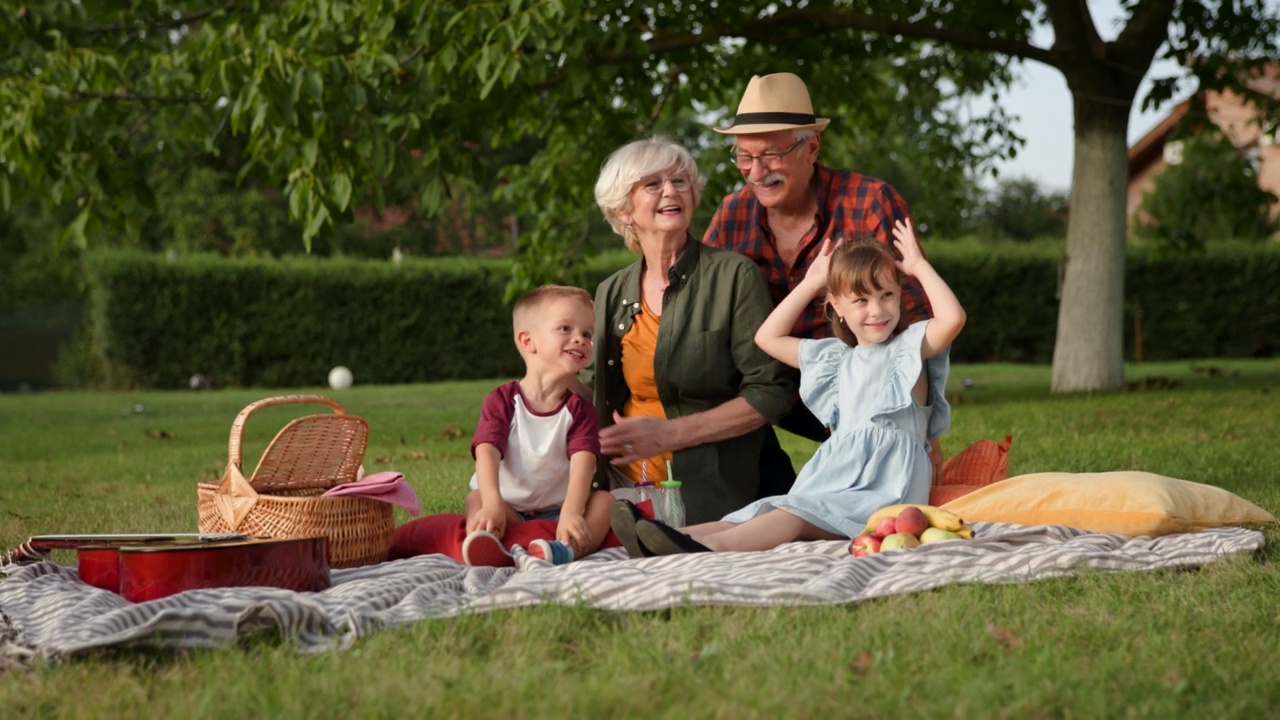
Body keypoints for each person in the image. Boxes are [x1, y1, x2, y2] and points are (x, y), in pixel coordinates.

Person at [610, 219, 965, 556]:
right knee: (760, 512)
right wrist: (811, 283)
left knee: (791, 518)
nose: (877, 310)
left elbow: (953, 318)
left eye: (887, 295)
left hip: (884, 488)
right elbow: (767, 337)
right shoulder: (836, 359)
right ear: (837, 306)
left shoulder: (910, 349)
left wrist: (917, 266)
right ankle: (662, 537)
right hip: (835, 476)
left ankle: (709, 549)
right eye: (861, 300)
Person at [702, 72, 937, 497]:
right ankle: (761, 495)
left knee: (862, 496)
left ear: (811, 147)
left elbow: (914, 317)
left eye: (771, 155)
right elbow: (700, 308)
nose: (756, 172)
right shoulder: (730, 215)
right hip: (770, 383)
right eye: (743, 157)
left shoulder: (869, 201)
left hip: (859, 390)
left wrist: (921, 437)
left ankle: (802, 509)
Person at [590, 136, 794, 526]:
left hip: (707, 489)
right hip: (619, 483)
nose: (671, 190)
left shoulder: (734, 276)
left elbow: (771, 392)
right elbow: (592, 387)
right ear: (623, 209)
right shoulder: (611, 291)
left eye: (680, 181)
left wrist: (672, 435)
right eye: (653, 184)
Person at [461, 285, 615, 566]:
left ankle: (566, 550)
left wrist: (571, 512)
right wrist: (493, 502)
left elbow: (583, 464)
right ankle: (485, 541)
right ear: (528, 341)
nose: (580, 339)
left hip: (558, 510)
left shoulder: (581, 411)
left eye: (587, 334)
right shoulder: (502, 401)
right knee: (476, 499)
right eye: (565, 328)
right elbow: (487, 452)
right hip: (508, 505)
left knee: (605, 502)